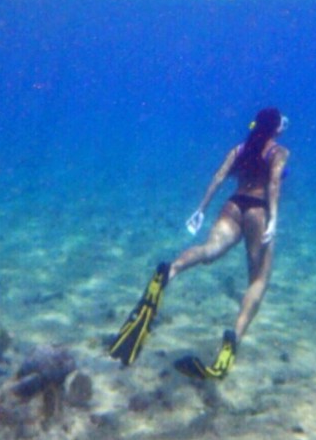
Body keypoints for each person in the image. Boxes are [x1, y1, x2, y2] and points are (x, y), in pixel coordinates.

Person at [108, 107, 290, 379]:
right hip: (259, 211)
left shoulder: (240, 148)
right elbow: (273, 184)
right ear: (275, 129)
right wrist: (273, 220)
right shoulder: (279, 152)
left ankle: (170, 271)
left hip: (234, 205)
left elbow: (218, 177)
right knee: (258, 279)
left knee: (209, 250)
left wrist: (201, 209)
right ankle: (233, 339)